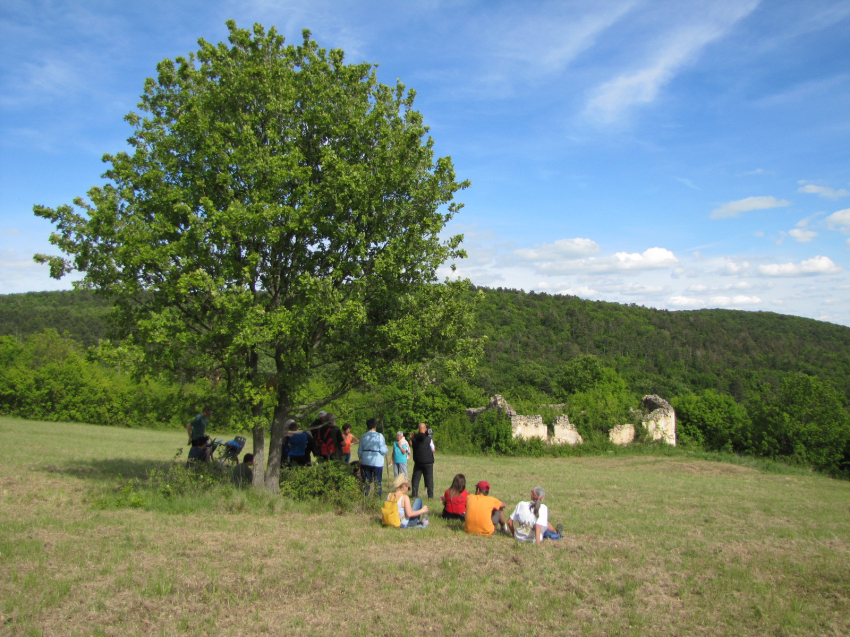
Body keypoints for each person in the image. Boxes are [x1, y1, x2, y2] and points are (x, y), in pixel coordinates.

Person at [358, 418, 388, 496]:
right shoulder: (379, 436)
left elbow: (360, 451)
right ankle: (377, 496)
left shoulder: (363, 436)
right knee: (377, 480)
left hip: (365, 460)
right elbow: (382, 450)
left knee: (366, 480)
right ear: (375, 426)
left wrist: (361, 458)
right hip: (377, 461)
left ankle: (365, 495)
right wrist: (386, 449)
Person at [410, 422, 435, 499]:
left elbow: (411, 444)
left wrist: (410, 437)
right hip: (428, 462)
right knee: (429, 479)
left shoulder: (414, 438)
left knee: (416, 479)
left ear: (418, 429)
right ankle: (430, 496)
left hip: (418, 462)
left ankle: (414, 494)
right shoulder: (428, 439)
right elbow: (433, 450)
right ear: (426, 429)